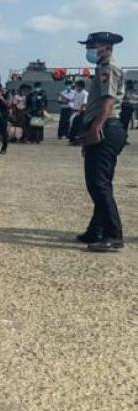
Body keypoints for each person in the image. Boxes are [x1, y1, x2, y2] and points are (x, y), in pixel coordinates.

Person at [76, 32, 127, 252]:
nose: (89, 49)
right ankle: (96, 229)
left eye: (92, 45)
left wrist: (96, 127)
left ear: (106, 46)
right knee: (101, 182)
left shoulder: (108, 67)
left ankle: (113, 235)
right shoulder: (102, 67)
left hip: (106, 127)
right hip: (106, 126)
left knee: (98, 183)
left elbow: (108, 99)